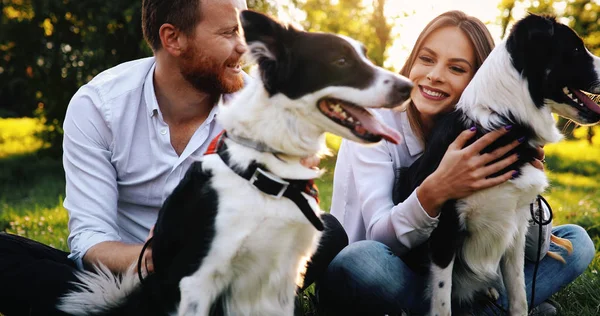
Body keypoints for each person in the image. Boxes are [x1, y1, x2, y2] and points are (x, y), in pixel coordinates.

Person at [0, 0, 347, 315]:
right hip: (122, 275)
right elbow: (91, 239)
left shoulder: (261, 111)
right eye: (229, 32)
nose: (244, 47)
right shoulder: (98, 107)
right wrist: (155, 259)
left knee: (326, 230)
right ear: (173, 39)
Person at [318, 10, 595, 316]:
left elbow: (533, 249)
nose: (435, 75)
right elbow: (382, 240)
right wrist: (437, 189)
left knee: (576, 243)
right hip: (372, 272)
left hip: (453, 277)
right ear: (411, 61)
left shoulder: (486, 133)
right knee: (361, 259)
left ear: (481, 77)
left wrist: (525, 190)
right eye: (426, 58)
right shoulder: (374, 124)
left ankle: (474, 308)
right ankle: (488, 311)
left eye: (456, 68)